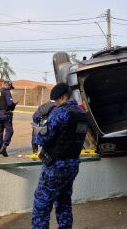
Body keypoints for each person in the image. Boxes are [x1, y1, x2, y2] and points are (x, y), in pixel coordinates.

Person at [32, 82, 88, 229]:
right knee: (64, 202)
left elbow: (42, 138)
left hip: (55, 167)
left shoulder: (60, 112)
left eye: (57, 101)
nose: (56, 104)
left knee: (41, 205)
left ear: (63, 97)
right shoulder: (82, 113)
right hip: (72, 165)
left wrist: (38, 131)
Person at [0, 79, 17, 157]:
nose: (10, 88)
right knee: (10, 131)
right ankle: (4, 146)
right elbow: (10, 104)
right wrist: (14, 105)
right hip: (6, 115)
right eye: (10, 86)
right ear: (8, 85)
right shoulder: (6, 91)